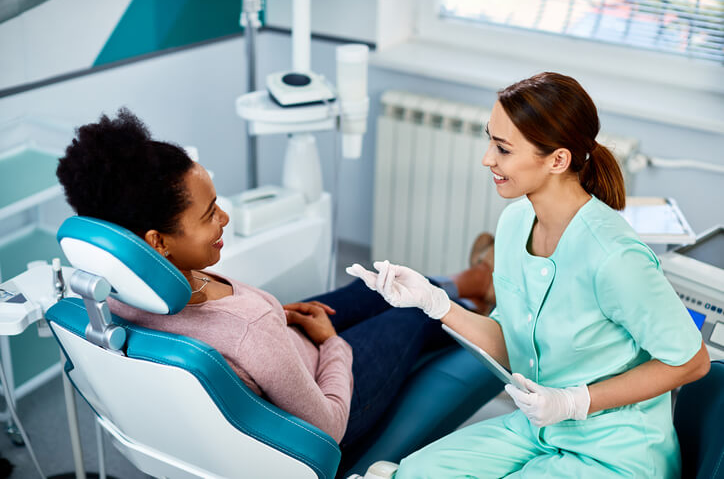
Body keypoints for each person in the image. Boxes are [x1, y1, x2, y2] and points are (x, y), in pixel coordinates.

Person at [54, 108, 496, 471]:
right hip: (328, 394)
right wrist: (332, 344)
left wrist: (270, 318)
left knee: (384, 281)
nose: (224, 218)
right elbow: (328, 428)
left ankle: (473, 283)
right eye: (209, 213)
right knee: (412, 309)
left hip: (277, 347)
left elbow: (226, 335)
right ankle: (500, 315)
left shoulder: (110, 296)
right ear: (158, 242)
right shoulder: (251, 329)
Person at [347, 72, 710, 478]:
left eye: (502, 148)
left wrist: (575, 402)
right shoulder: (515, 222)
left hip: (615, 449)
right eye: (490, 140)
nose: (487, 159)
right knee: (409, 473)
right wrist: (435, 303)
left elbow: (692, 363)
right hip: (540, 429)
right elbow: (510, 344)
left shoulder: (615, 257)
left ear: (558, 160)